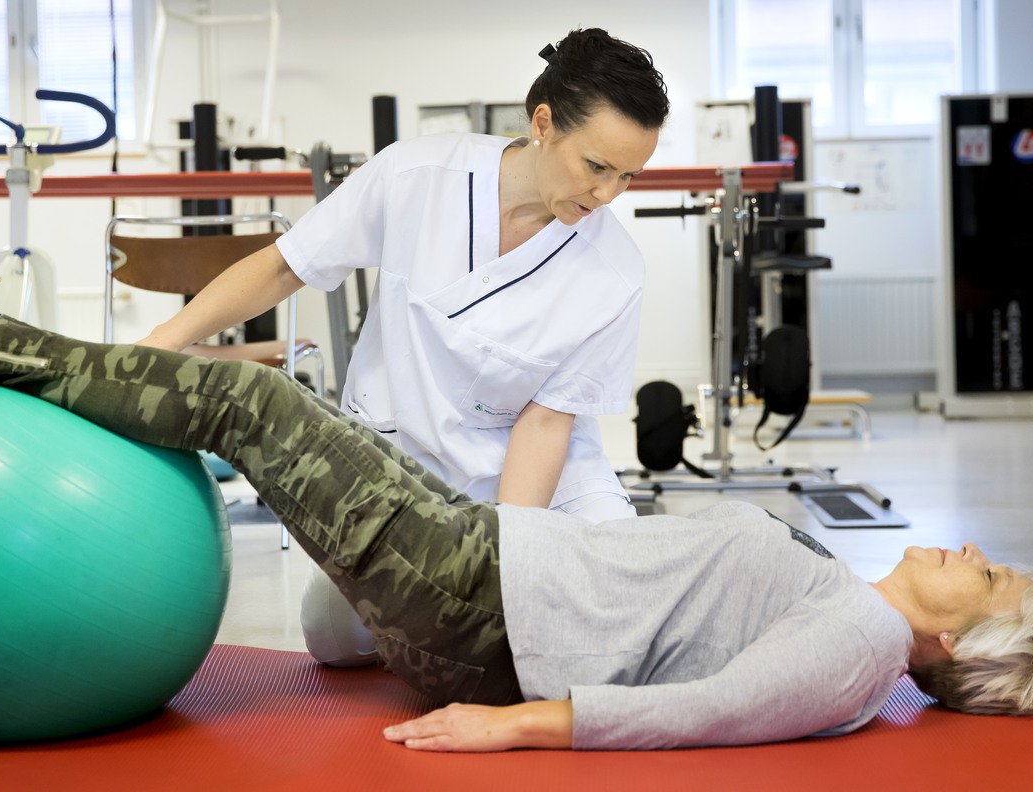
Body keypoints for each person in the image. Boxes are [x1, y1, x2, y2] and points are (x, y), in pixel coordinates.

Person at [0, 225, 1033, 752]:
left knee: (250, 404)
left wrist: (514, 727)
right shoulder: (855, 624)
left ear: (956, 637)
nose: (968, 548)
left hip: (480, 609)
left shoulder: (858, 649)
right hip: (487, 564)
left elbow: (705, 714)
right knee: (298, 413)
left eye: (984, 573)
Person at [136, 29, 670, 666]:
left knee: (629, 606)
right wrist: (154, 347)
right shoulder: (419, 175)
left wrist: (499, 567)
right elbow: (288, 266)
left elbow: (546, 422)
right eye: (597, 167)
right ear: (545, 123)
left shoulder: (613, 271)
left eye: (629, 176)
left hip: (541, 480)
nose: (608, 195)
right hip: (402, 463)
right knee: (334, 639)